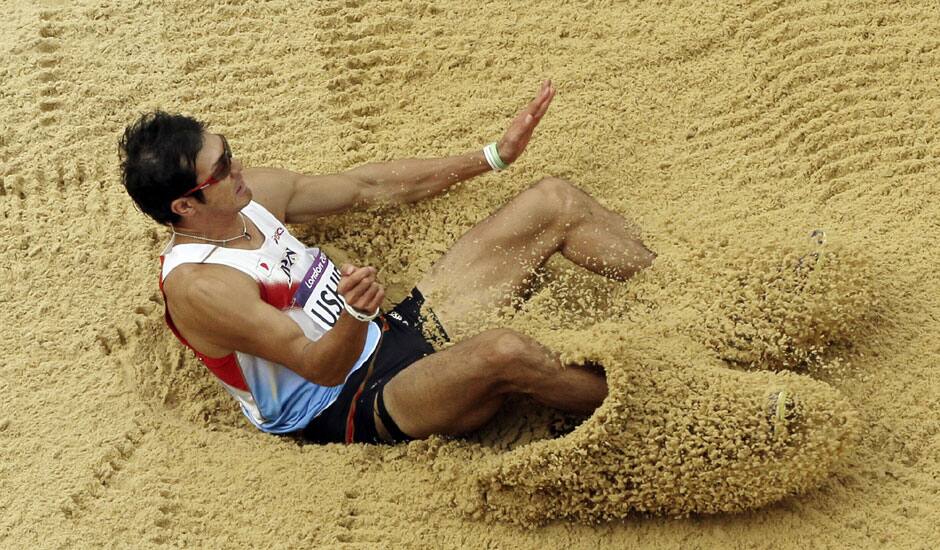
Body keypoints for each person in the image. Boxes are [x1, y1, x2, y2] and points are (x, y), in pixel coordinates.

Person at [119, 81, 656, 444]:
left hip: (389, 331)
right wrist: (353, 314)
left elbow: (364, 186)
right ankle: (662, 412)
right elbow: (318, 366)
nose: (238, 170)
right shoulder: (201, 286)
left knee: (552, 201)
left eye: (229, 152)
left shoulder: (248, 196)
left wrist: (493, 155)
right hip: (350, 402)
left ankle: (686, 294)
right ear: (184, 206)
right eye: (222, 168)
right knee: (504, 352)